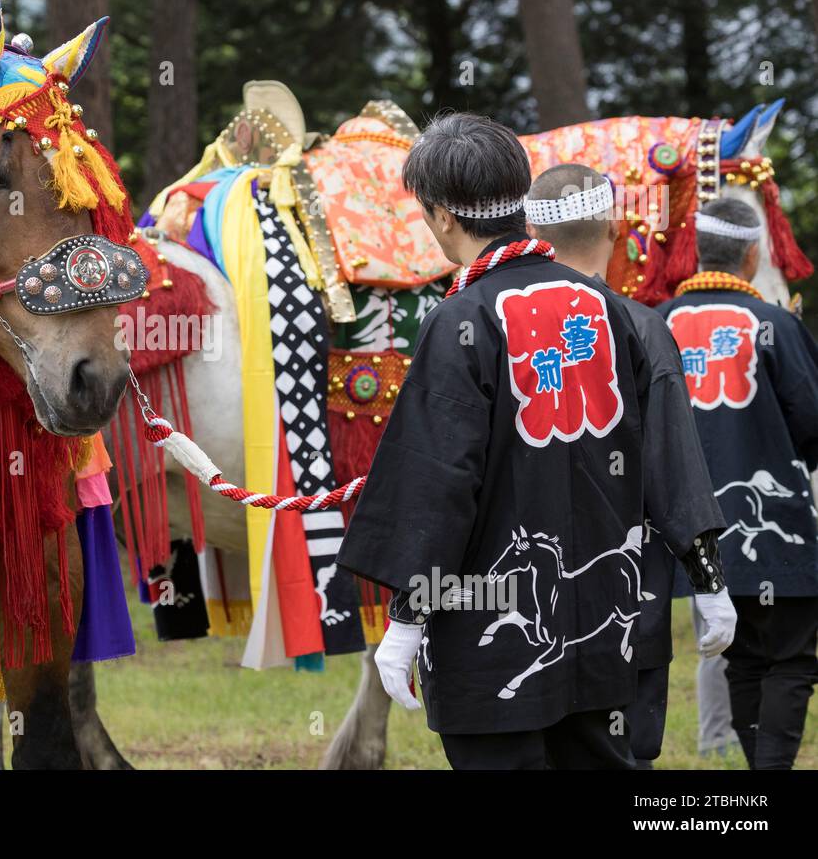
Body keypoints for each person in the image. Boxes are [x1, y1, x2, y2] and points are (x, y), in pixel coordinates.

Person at [337, 113, 653, 769]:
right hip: (603, 618)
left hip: (494, 622)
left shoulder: (461, 319)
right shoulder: (611, 310)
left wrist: (405, 617)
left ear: (443, 216)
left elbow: (437, 481)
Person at [522, 163, 735, 767]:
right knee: (622, 757)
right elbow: (673, 466)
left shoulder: (485, 323)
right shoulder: (643, 328)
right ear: (616, 230)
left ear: (533, 228)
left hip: (522, 598)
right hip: (625, 598)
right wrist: (710, 581)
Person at [658, 197, 818, 769]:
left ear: (699, 251)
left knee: (744, 657)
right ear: (752, 255)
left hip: (684, 529)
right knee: (792, 658)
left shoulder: (656, 322)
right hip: (773, 535)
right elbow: (812, 421)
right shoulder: (774, 323)